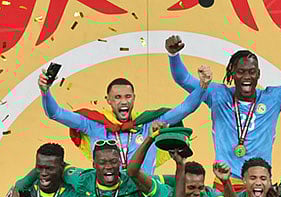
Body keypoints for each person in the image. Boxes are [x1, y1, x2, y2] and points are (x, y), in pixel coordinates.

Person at [165, 33, 281, 179]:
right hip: (225, 184)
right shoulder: (217, 94)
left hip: (259, 184)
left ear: (258, 74)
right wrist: (173, 55)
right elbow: (183, 79)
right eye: (241, 72)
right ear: (232, 74)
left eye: (252, 72)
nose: (246, 77)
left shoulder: (274, 98)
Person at [38, 65, 209, 176]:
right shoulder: (93, 125)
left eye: (128, 96)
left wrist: (202, 86)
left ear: (134, 98)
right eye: (117, 97)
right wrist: (45, 92)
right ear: (108, 100)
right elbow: (56, 113)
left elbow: (185, 108)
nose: (124, 101)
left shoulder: (149, 123)